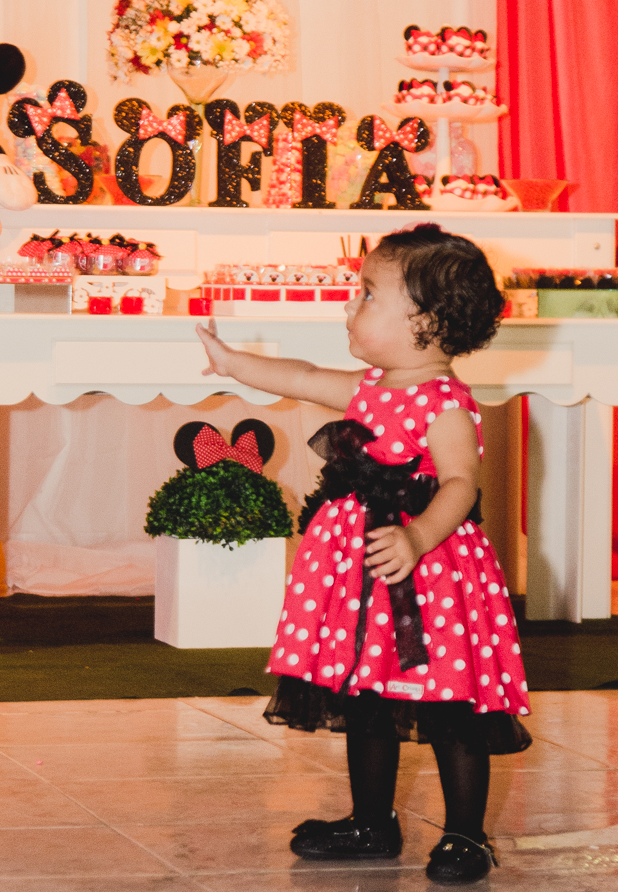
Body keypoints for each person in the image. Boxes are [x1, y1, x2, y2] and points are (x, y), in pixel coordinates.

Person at [196, 223, 531, 885]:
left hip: (428, 575)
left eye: (368, 294)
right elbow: (301, 376)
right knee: (366, 694)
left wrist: (418, 537)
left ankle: (467, 836)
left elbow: (460, 483)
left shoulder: (444, 404)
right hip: (362, 575)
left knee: (448, 705)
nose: (351, 306)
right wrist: (233, 363)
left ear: (427, 323)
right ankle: (372, 821)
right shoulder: (371, 387)